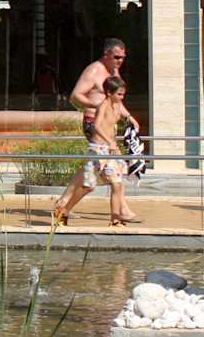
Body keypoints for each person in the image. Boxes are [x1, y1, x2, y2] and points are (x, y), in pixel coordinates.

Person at [49, 38, 135, 219]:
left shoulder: (114, 72)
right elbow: (75, 96)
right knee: (114, 164)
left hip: (108, 126)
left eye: (122, 57)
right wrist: (98, 106)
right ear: (106, 54)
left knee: (92, 166)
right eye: (116, 57)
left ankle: (63, 203)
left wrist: (129, 118)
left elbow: (117, 101)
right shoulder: (94, 70)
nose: (120, 61)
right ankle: (122, 210)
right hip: (94, 124)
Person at [53, 76, 140, 226]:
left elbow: (123, 114)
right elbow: (97, 126)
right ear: (109, 93)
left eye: (123, 94)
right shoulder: (103, 106)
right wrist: (110, 142)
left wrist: (132, 120)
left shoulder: (117, 105)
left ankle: (115, 220)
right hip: (98, 150)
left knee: (117, 184)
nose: (122, 97)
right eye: (119, 94)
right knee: (88, 186)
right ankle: (64, 211)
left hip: (110, 150)